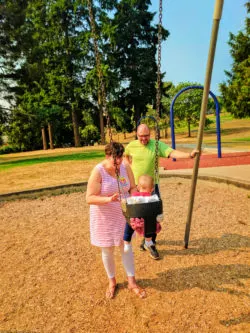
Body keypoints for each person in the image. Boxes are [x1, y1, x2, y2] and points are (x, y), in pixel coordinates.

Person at [124, 123, 199, 259]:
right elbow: (126, 157)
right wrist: (129, 173)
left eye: (146, 136)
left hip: (152, 186)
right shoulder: (131, 145)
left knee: (155, 215)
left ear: (150, 134)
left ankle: (150, 242)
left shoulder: (157, 145)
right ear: (137, 135)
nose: (144, 139)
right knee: (135, 215)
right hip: (136, 186)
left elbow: (171, 153)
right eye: (141, 136)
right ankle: (132, 240)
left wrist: (189, 155)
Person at [86, 142, 146, 299]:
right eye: (115, 159)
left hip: (123, 215)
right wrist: (108, 199)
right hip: (104, 217)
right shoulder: (98, 171)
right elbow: (89, 198)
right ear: (107, 156)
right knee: (107, 249)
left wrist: (134, 199)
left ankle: (131, 281)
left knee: (126, 247)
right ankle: (112, 282)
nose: (118, 161)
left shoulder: (125, 167)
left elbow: (132, 187)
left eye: (120, 157)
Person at [123, 174, 163, 258]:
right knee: (150, 227)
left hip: (135, 223)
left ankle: (126, 242)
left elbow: (127, 203)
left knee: (128, 225)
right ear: (152, 189)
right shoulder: (153, 198)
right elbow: (158, 206)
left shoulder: (134, 197)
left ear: (138, 187)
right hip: (147, 224)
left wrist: (123, 201)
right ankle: (148, 242)